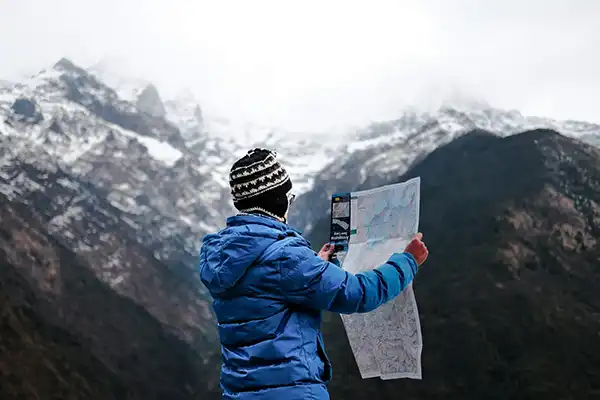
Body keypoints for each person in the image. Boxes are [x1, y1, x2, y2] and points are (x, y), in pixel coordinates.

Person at [199, 148, 429, 400]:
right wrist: (408, 261)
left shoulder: (223, 254)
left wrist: (314, 266)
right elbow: (357, 294)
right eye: (289, 196)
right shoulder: (285, 257)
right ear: (278, 199)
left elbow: (266, 291)